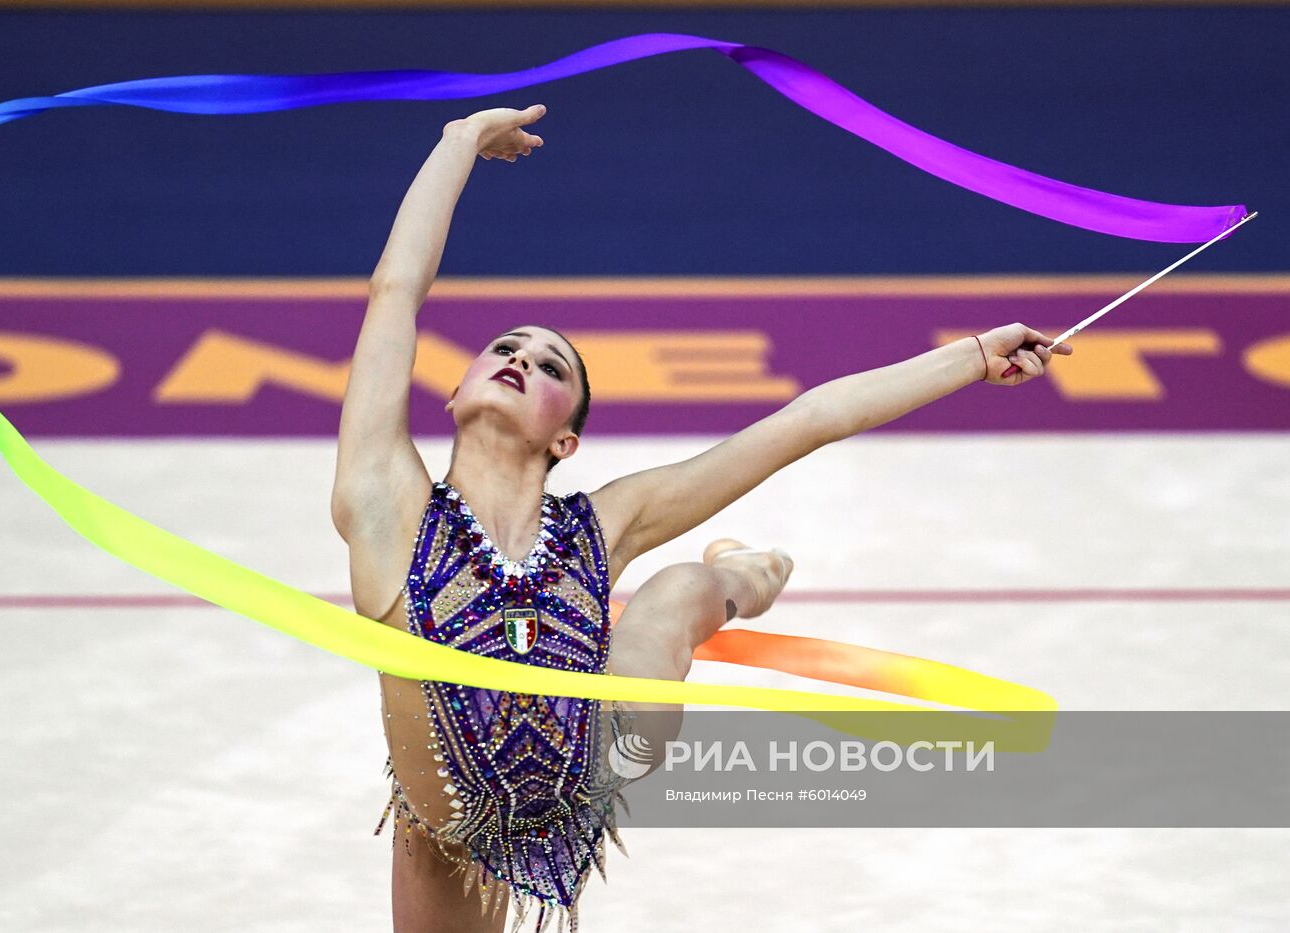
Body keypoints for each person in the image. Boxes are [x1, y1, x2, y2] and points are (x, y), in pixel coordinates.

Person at [329, 104, 1072, 933]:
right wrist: (457, 142)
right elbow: (396, 292)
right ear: (454, 391)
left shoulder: (599, 527)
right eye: (505, 349)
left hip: (594, 762)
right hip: (449, 829)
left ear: (565, 436)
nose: (517, 360)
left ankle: (744, 571)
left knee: (680, 589)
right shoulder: (386, 507)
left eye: (548, 366)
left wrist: (971, 358)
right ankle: (730, 572)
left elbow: (804, 422)